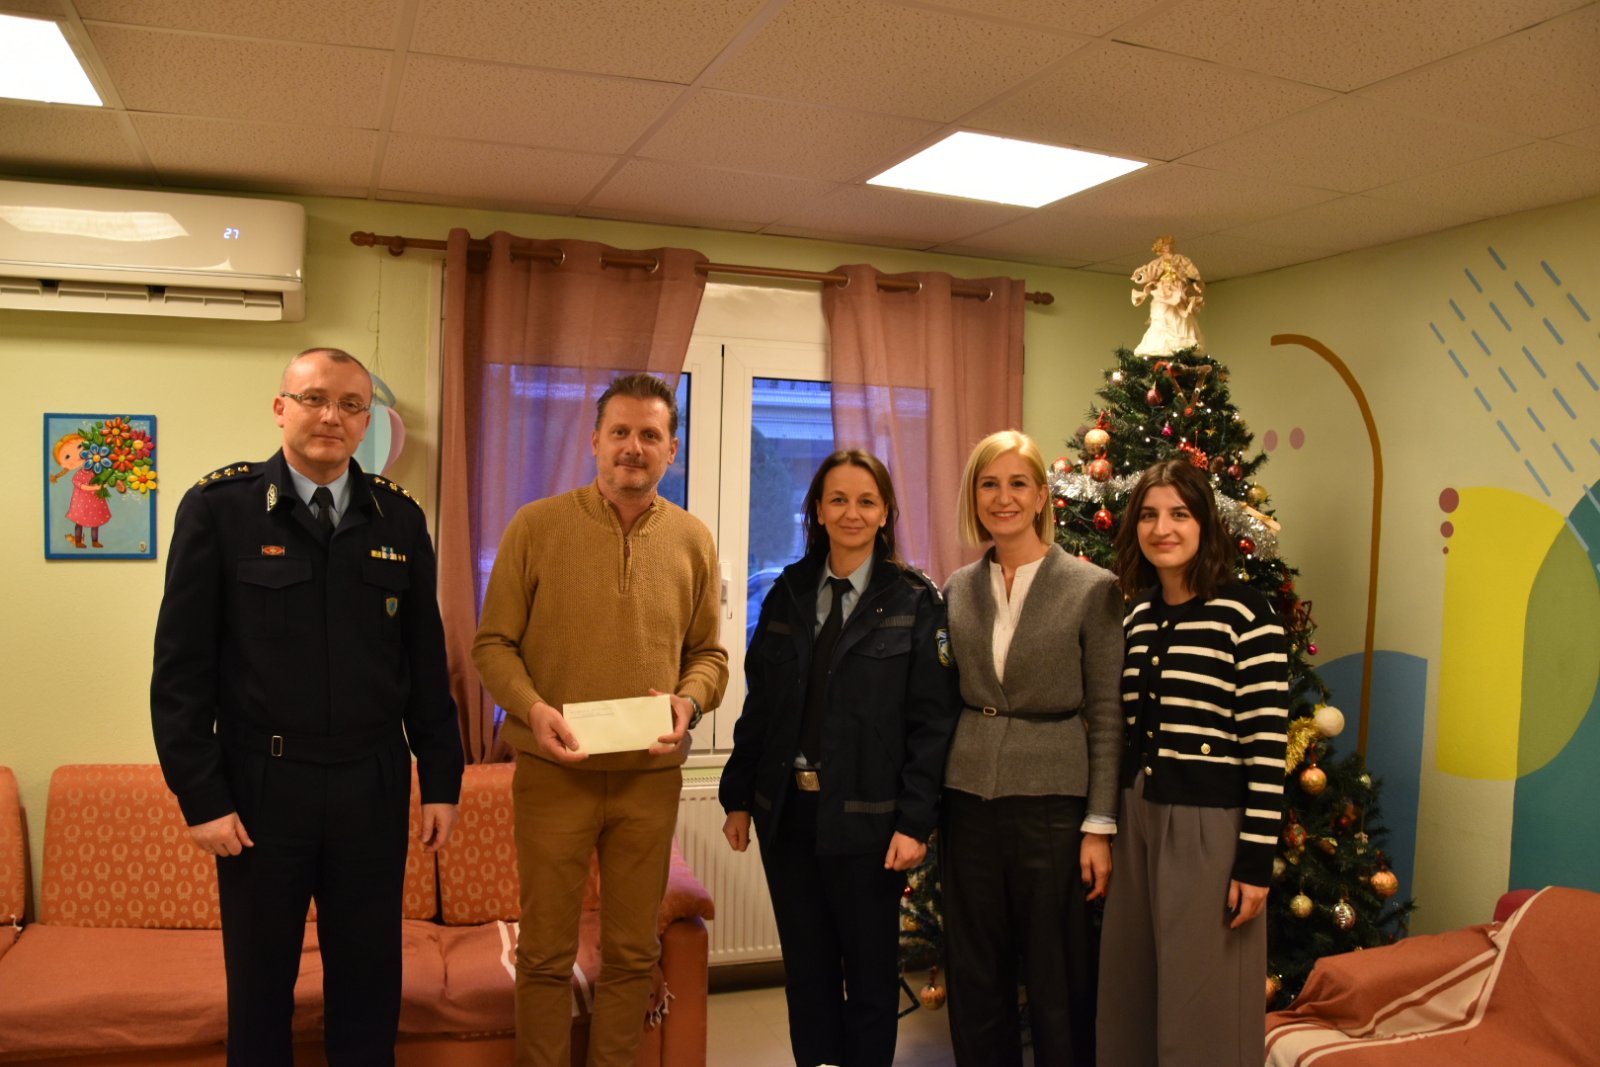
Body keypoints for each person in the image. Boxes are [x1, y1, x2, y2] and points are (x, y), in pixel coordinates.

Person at [151, 347, 464, 1066]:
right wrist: (201, 795)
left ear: (368, 423)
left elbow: (425, 662)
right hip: (264, 787)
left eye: (351, 405)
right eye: (315, 398)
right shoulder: (220, 509)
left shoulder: (398, 518)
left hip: (371, 783)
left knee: (368, 981)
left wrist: (443, 780)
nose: (332, 417)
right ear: (280, 408)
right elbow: (180, 672)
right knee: (261, 984)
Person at [471, 372, 728, 1067]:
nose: (633, 447)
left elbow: (709, 655)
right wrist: (533, 710)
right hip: (554, 774)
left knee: (632, 953)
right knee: (546, 954)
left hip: (649, 779)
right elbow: (492, 645)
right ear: (594, 441)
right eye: (620, 432)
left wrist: (689, 701)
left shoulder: (693, 539)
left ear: (671, 449)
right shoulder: (536, 526)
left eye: (649, 434)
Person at [720, 450, 960, 1067]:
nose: (852, 513)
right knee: (808, 974)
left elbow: (932, 724)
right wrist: (737, 796)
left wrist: (915, 822)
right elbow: (761, 704)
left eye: (866, 501)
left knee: (872, 977)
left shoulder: (914, 600)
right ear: (819, 512)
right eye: (838, 500)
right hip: (788, 816)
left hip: (870, 821)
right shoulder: (788, 591)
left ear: (885, 513)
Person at [1096, 458, 1289, 1067]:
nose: (1163, 529)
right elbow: (1123, 734)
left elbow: (1267, 750)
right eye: (1149, 515)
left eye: (1179, 514)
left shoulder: (1247, 615)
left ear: (1204, 522)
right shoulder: (1136, 616)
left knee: (1204, 999)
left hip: (1210, 828)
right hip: (1137, 820)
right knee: (1131, 988)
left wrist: (1254, 863)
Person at [940, 429, 1124, 1067]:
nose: (1004, 498)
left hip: (1054, 803)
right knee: (975, 975)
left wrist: (1099, 824)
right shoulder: (957, 587)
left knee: (1058, 978)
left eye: (1018, 483)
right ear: (975, 496)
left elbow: (1108, 715)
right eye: (989, 484)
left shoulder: (1092, 587)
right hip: (967, 799)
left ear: (1042, 496)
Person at [1131, 235, 1206, 357]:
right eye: (1165, 245)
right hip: (1163, 292)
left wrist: (1195, 284)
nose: (1168, 247)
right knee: (1161, 314)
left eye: (1170, 244)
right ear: (1160, 248)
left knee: (1180, 316)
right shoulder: (1156, 263)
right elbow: (1145, 275)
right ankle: (1163, 344)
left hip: (1178, 291)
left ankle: (1181, 342)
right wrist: (1140, 276)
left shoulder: (1181, 259)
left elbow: (1192, 274)